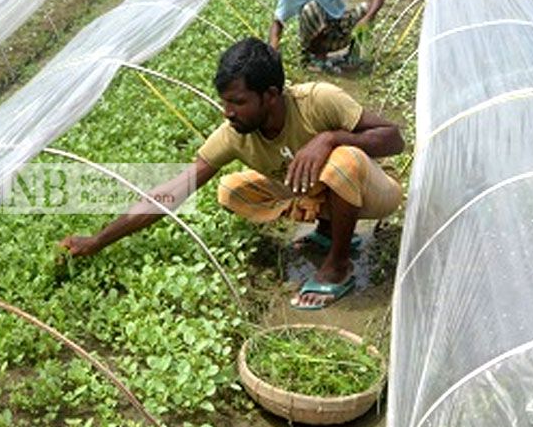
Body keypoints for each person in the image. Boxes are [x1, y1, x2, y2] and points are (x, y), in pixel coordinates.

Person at [60, 38, 405, 310]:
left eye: (238, 102)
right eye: (225, 102)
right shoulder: (235, 133)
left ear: (270, 95)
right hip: (314, 191)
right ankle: (329, 230)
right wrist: (100, 239)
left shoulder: (318, 100)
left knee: (342, 159)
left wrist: (329, 139)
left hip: (375, 193)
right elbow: (172, 191)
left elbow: (394, 138)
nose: (228, 112)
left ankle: (339, 264)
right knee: (231, 189)